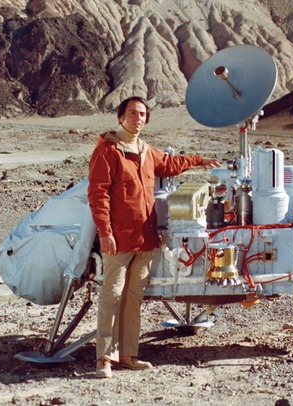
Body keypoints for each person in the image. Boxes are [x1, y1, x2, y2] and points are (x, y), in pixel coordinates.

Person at [87, 96, 220, 378]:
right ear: (120, 117)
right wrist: (105, 232)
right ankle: (104, 358)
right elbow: (98, 195)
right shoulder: (108, 150)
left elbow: (170, 164)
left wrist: (199, 161)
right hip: (118, 239)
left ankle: (128, 355)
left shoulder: (146, 151)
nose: (138, 118)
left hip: (145, 239)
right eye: (132, 113)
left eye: (142, 114)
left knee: (133, 298)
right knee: (112, 296)